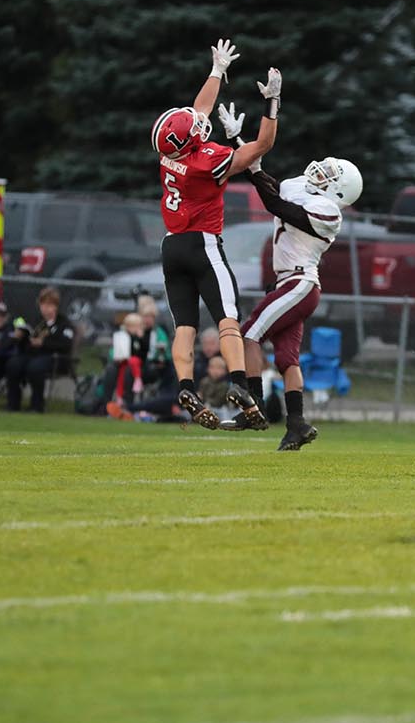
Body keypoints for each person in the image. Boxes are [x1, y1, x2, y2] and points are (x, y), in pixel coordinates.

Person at [153, 37, 280, 430]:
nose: (197, 119)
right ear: (193, 139)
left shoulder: (169, 155)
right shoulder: (209, 161)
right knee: (228, 318)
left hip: (171, 246)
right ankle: (239, 385)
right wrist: (272, 103)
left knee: (185, 326)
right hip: (203, 244)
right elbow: (262, 145)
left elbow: (198, 110)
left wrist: (216, 71)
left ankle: (186, 386)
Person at [216, 113, 363, 450]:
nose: (322, 171)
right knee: (287, 359)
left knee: (248, 335)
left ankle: (252, 407)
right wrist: (241, 142)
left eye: (331, 175)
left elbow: (276, 204)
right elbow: (267, 183)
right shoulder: (304, 190)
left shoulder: (328, 212)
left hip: (299, 284)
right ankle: (296, 424)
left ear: (338, 190)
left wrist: (252, 157)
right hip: (294, 285)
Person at [5, 286, 74, 412]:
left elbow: (65, 344)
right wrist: (21, 337)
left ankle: (37, 405)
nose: (45, 308)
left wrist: (43, 343)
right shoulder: (36, 321)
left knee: (35, 367)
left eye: (49, 305)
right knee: (13, 364)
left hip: (54, 358)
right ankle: (12, 404)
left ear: (56, 306)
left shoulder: (64, 323)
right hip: (33, 355)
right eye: (43, 304)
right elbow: (27, 340)